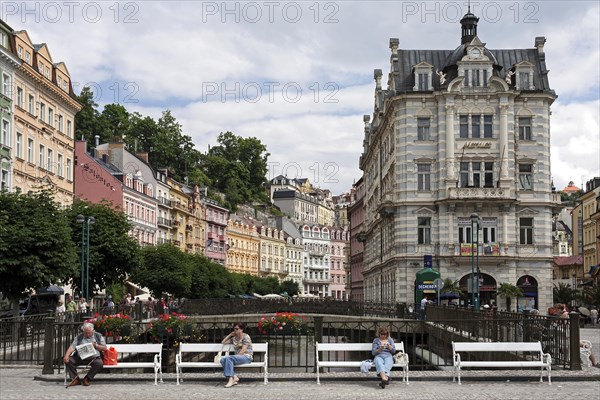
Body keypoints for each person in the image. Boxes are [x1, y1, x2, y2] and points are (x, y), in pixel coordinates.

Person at [63, 322, 107, 387]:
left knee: (99, 363)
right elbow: (72, 347)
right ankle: (75, 379)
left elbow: (104, 348)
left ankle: (87, 378)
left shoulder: (98, 336)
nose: (87, 334)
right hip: (80, 357)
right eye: (85, 333)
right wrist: (66, 356)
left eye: (89, 332)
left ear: (93, 330)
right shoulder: (79, 337)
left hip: (93, 358)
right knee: (68, 360)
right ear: (83, 331)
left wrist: (96, 346)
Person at [220, 322, 253, 388]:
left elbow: (243, 350)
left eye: (237, 329)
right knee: (222, 359)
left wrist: (236, 356)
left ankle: (230, 379)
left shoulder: (246, 337)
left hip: (246, 356)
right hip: (237, 357)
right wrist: (230, 335)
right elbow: (223, 342)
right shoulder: (234, 339)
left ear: (242, 329)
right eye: (234, 329)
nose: (235, 330)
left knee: (229, 358)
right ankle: (234, 377)